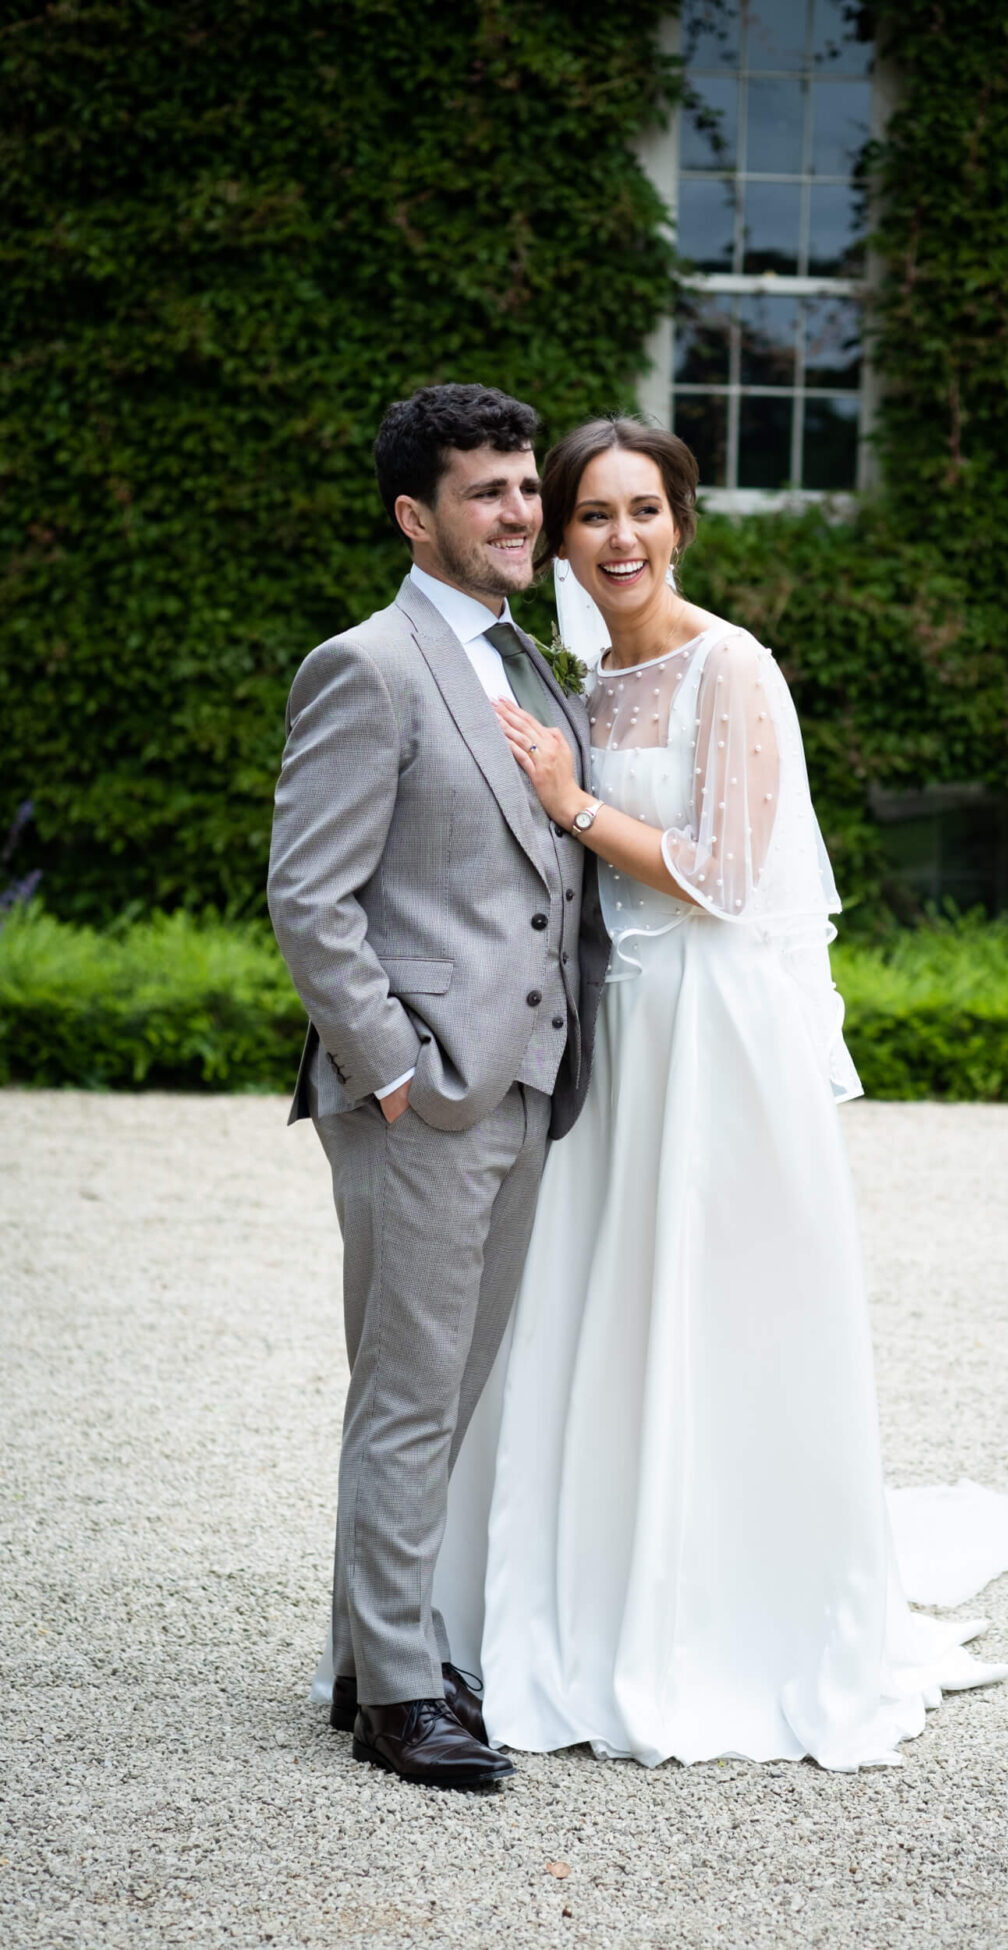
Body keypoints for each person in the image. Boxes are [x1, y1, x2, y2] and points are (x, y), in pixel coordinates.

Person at [435, 417, 1008, 1770]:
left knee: (724, 1312)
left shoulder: (730, 667)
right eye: (593, 515)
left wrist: (569, 805)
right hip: (611, 1034)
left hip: (713, 1033)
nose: (621, 538)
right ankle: (578, 1592)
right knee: (597, 1307)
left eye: (644, 511)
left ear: (682, 521)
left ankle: (730, 1610)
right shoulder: (579, 683)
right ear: (558, 537)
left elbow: (728, 874)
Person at [267, 383, 609, 1789]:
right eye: (490, 491)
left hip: (527, 1083)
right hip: (425, 1095)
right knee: (408, 1393)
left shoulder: (527, 664)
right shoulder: (369, 665)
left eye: (528, 486)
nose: (524, 511)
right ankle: (398, 1696)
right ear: (419, 516)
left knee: (449, 1389)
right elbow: (310, 895)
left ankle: (375, 1647)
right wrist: (395, 1072)